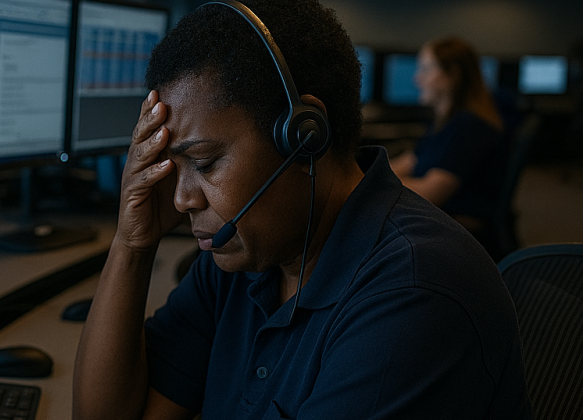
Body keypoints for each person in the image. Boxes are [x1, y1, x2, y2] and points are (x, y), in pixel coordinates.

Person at [73, 1, 533, 419]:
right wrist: (132, 244)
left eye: (205, 162)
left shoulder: (414, 296)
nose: (181, 199)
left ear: (303, 135)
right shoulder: (244, 256)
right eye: (174, 168)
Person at [389, 36, 508, 260]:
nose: (417, 78)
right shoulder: (446, 123)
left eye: (425, 69)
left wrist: (370, 182)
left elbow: (430, 193)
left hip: (459, 239)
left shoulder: (470, 128)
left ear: (452, 75)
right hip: (440, 224)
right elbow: (410, 161)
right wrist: (360, 172)